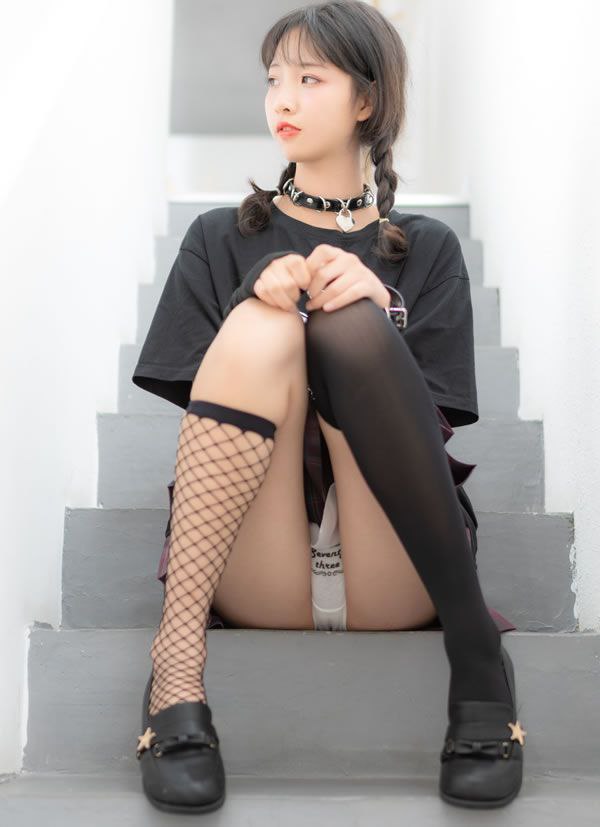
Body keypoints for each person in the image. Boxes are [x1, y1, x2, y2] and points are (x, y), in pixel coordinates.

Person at [131, 1, 526, 814]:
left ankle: (475, 654)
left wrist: (384, 311)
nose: (283, 98)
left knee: (352, 318)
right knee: (264, 320)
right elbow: (201, 403)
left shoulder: (429, 249)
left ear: (365, 100)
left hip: (399, 573)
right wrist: (255, 299)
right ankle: (176, 669)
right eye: (274, 79)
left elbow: (437, 418)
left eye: (310, 79)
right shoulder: (217, 238)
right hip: (255, 570)